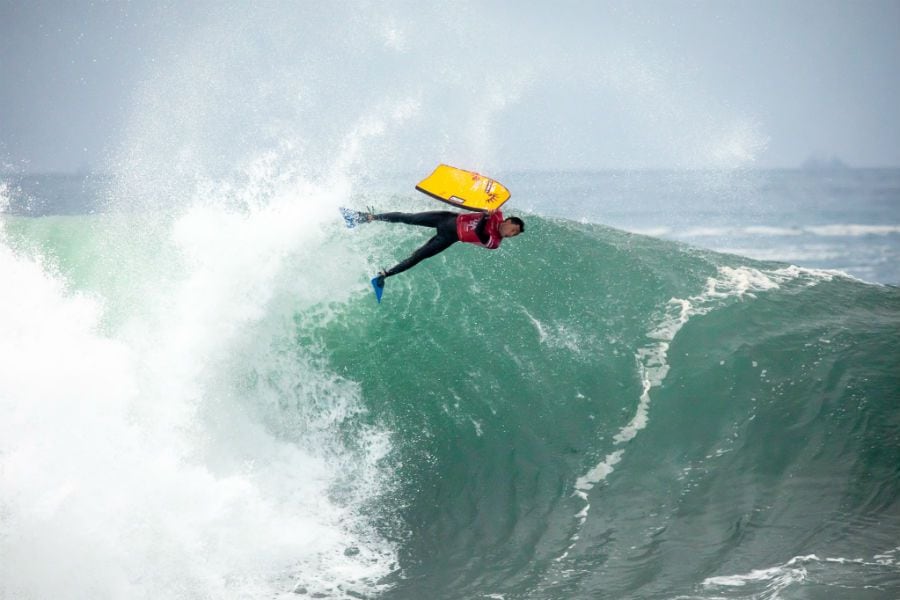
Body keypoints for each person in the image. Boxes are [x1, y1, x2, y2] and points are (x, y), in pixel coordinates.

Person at [353, 208, 524, 289]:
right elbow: (481, 200)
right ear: (508, 222)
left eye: (514, 235)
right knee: (408, 217)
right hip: (447, 219)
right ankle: (367, 217)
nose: (511, 235)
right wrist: (486, 208)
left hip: (449, 237)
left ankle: (384, 276)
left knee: (418, 256)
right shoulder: (498, 213)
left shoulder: (494, 242)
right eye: (513, 230)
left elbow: (479, 232)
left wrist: (486, 216)